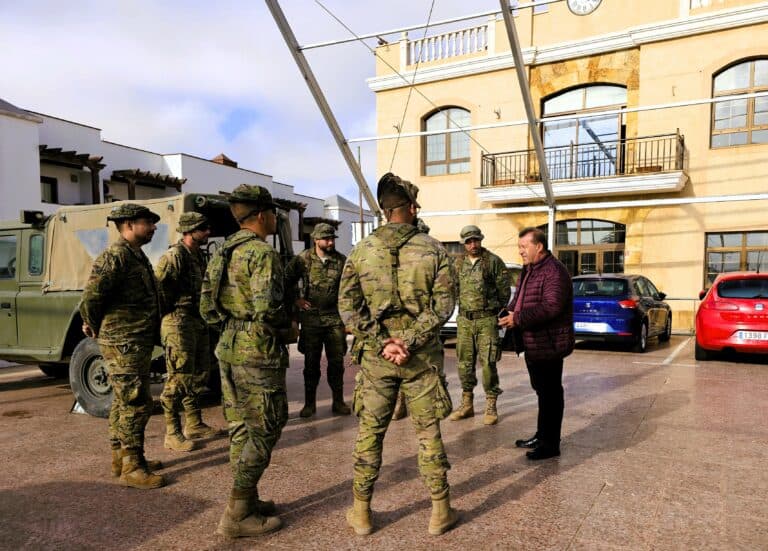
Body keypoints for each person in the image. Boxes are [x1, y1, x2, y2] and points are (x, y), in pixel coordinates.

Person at [339, 172, 458, 536]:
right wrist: (408, 339)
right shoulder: (433, 249)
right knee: (427, 432)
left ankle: (361, 512)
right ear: (409, 207)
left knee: (370, 433)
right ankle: (439, 511)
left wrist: (384, 343)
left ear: (385, 211)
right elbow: (443, 305)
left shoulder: (360, 251)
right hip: (420, 358)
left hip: (377, 360)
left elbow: (347, 307)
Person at [200, 184, 295, 538]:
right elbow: (269, 309)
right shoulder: (261, 254)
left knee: (241, 426)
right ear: (261, 215)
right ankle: (237, 511)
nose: (274, 219)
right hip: (257, 350)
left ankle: (249, 499)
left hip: (228, 344)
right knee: (268, 424)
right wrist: (285, 328)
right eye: (272, 213)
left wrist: (232, 326)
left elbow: (206, 308)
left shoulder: (222, 250)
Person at [80, 203, 165, 489]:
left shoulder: (136, 256)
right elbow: (91, 297)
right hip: (123, 341)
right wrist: (93, 324)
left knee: (122, 399)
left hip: (135, 340)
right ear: (128, 224)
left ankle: (120, 458)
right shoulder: (115, 256)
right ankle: (132, 466)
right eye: (147, 222)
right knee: (136, 401)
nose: (153, 227)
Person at [498, 227, 574, 460]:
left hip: (549, 344)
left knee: (550, 394)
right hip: (533, 343)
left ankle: (550, 445)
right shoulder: (529, 269)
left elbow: (552, 307)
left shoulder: (554, 272)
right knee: (542, 391)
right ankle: (542, 435)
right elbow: (519, 298)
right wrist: (508, 312)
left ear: (538, 246)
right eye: (519, 247)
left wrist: (518, 318)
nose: (520, 251)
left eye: (524, 247)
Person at [155, 212, 221, 453]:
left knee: (199, 373)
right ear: (189, 230)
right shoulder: (174, 256)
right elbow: (159, 292)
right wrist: (169, 318)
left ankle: (194, 423)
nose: (207, 232)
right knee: (179, 376)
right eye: (203, 228)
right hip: (178, 322)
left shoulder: (198, 256)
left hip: (197, 321)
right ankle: (172, 432)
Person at [284, 222, 350, 418]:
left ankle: (338, 402)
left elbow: (349, 288)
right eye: (326, 239)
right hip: (311, 320)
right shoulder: (302, 259)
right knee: (311, 364)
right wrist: (296, 299)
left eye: (332, 239)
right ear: (316, 239)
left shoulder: (341, 260)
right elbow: (285, 281)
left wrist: (348, 318)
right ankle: (309, 404)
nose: (330, 242)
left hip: (334, 320)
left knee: (336, 364)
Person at [449, 225, 511, 425]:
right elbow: (454, 289)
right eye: (468, 241)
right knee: (464, 363)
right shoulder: (458, 264)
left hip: (486, 320)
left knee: (488, 363)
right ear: (464, 244)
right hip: (465, 321)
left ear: (481, 240)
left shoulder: (493, 262)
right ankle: (467, 404)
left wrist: (493, 311)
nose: (472, 244)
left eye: (475, 240)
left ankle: (491, 404)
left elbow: (504, 292)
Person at [391, 216, 431, 421]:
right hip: (401, 321)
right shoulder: (397, 257)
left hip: (425, 321)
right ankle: (401, 402)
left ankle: (421, 407)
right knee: (400, 362)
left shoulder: (432, 255)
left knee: (425, 368)